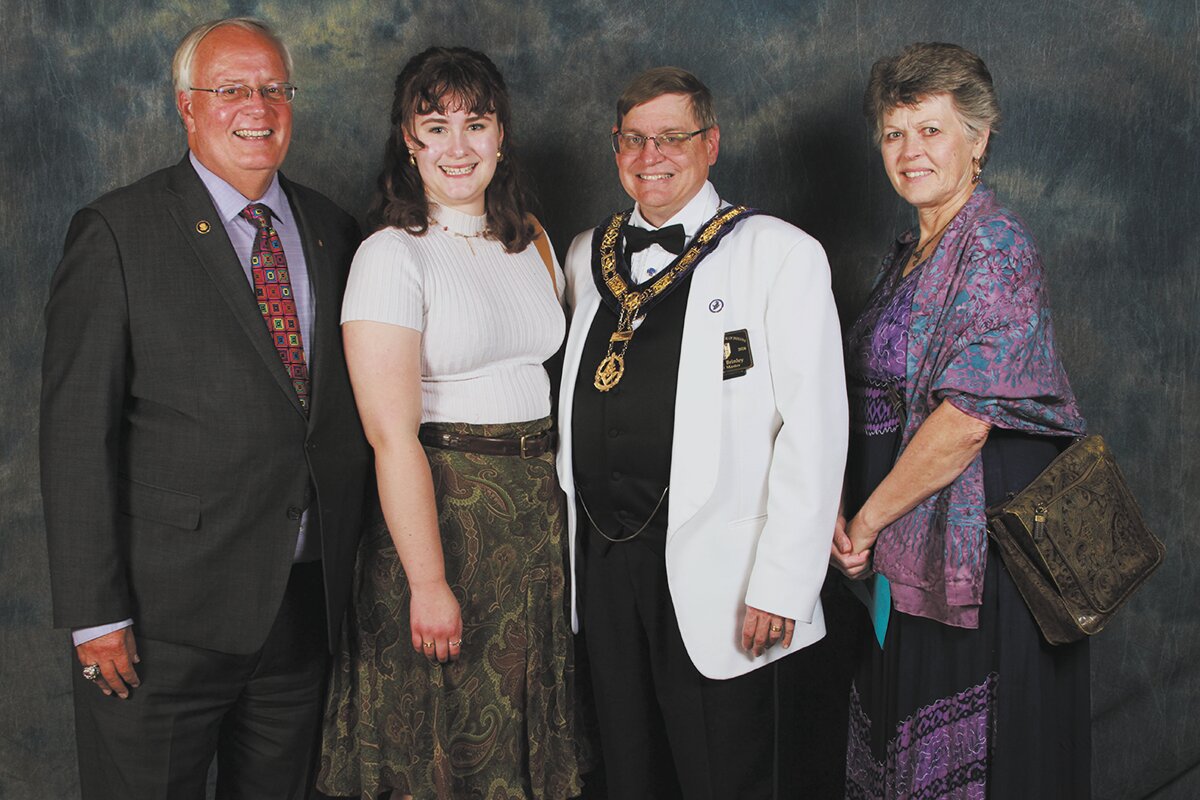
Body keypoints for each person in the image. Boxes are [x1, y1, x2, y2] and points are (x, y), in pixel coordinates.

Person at [40, 17, 370, 800]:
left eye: (272, 89)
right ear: (186, 107)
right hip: (161, 622)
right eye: (230, 90)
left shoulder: (334, 230)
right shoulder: (118, 232)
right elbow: (75, 437)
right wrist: (95, 617)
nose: (256, 106)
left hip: (301, 612)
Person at [556, 67, 848, 799]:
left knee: (722, 775)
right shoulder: (582, 255)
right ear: (615, 148)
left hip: (726, 568)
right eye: (634, 139)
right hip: (603, 564)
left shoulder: (780, 253)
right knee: (627, 774)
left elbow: (815, 429)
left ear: (710, 144)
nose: (650, 155)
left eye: (672, 138)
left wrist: (783, 583)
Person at [317, 46, 582, 800]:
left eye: (476, 123)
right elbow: (390, 435)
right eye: (436, 127)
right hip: (441, 512)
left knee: (523, 706)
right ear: (409, 141)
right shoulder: (390, 256)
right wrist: (428, 582)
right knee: (446, 718)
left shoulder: (529, 237)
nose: (458, 147)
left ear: (502, 135)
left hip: (534, 512)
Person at [831, 42, 1091, 798]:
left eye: (932, 130)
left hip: (979, 557)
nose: (911, 151)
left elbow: (966, 420)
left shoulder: (995, 244)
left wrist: (869, 522)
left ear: (979, 140)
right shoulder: (907, 252)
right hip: (909, 546)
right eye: (894, 133)